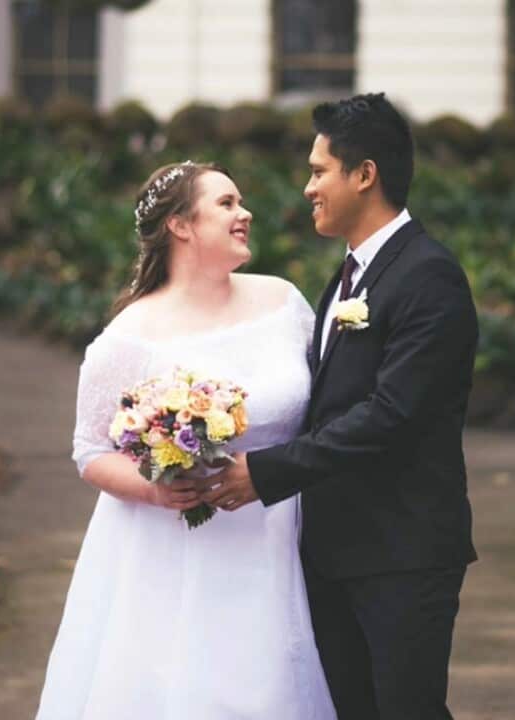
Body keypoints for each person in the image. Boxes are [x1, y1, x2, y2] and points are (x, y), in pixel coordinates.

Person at [199, 93, 480, 719]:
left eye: (319, 170)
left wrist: (264, 473)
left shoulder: (428, 277)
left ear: (365, 174)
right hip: (333, 553)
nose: (307, 188)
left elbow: (390, 415)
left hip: (402, 555)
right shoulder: (347, 278)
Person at [34, 161, 336, 719]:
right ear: (180, 225)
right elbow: (90, 451)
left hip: (281, 537)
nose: (244, 213)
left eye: (241, 202)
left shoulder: (284, 302)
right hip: (176, 552)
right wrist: (155, 489)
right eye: (225, 203)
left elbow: (327, 410)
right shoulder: (128, 338)